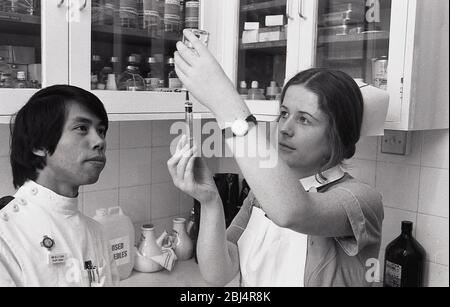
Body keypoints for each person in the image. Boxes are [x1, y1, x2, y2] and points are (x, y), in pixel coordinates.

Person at [167, 29, 384, 287]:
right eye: (283, 113)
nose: (284, 128)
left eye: (304, 119)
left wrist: (224, 100)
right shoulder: (260, 196)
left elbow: (292, 211)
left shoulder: (361, 201)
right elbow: (219, 273)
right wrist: (210, 199)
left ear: (337, 135)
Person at [0, 85, 120, 287]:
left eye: (101, 130)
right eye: (82, 128)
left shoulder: (96, 232)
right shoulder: (6, 236)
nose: (99, 141)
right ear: (38, 145)